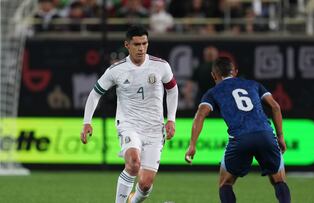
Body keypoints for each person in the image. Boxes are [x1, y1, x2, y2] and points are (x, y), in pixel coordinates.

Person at [80, 25, 178, 203]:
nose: (141, 48)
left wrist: (171, 119)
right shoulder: (116, 70)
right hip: (129, 125)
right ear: (127, 45)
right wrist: (87, 122)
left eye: (145, 43)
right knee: (133, 163)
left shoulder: (161, 66)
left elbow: (172, 90)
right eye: (137, 44)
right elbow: (95, 93)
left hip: (155, 128)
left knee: (146, 183)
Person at [185, 57, 291, 203]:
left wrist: (192, 144)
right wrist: (280, 137)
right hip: (265, 135)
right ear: (234, 72)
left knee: (225, 183)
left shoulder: (213, 92)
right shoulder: (253, 84)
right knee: (279, 180)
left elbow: (200, 114)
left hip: (240, 139)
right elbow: (275, 107)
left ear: (214, 75)